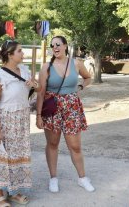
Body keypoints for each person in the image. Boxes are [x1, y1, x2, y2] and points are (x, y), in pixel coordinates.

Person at [0, 40, 41, 207]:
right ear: (10, 54)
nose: (23, 54)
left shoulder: (24, 71)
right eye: (20, 51)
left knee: (17, 156)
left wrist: (35, 85)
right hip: (4, 121)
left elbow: (39, 89)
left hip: (21, 121)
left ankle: (13, 191)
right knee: (2, 156)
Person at [36, 36, 94, 193]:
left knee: (75, 146)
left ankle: (82, 178)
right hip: (52, 108)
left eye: (58, 44)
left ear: (65, 46)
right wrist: (39, 115)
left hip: (72, 107)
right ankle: (53, 178)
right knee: (53, 144)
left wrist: (81, 85)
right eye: (52, 45)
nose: (55, 47)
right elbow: (41, 93)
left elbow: (88, 78)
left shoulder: (76, 63)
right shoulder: (46, 67)